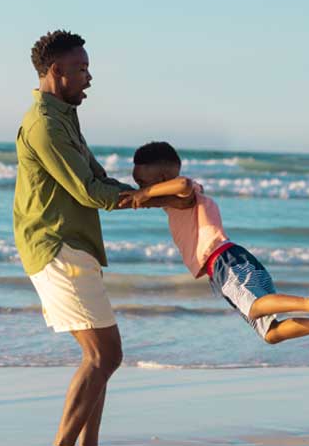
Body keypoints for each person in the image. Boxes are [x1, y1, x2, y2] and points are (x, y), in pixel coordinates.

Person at [13, 32, 190, 446]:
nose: (89, 78)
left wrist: (159, 199)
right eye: (82, 69)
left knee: (101, 359)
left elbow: (98, 179)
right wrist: (155, 196)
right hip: (56, 246)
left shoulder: (62, 116)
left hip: (73, 245)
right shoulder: (44, 125)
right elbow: (90, 193)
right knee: (104, 356)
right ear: (57, 72)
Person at [120, 141, 309, 354]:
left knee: (256, 308)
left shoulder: (187, 195)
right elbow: (164, 198)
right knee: (271, 333)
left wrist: (146, 193)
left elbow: (182, 184)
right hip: (228, 265)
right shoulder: (175, 201)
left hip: (226, 261)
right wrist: (144, 197)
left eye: (142, 182)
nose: (139, 187)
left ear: (162, 179)